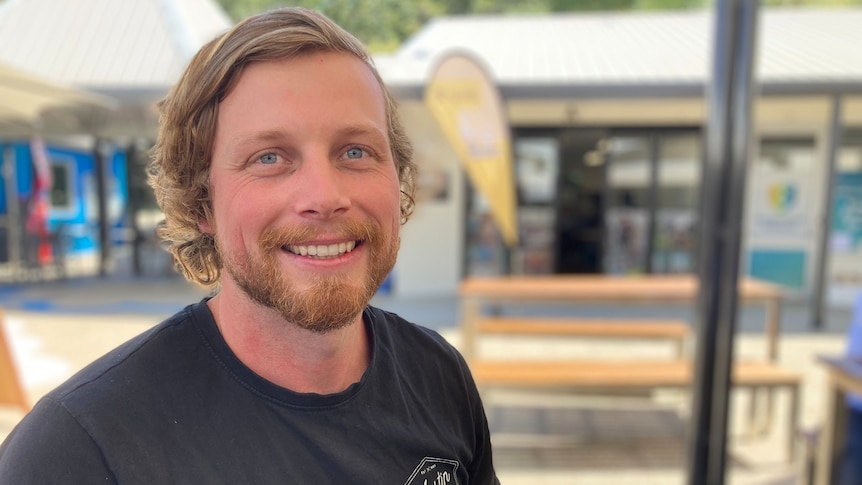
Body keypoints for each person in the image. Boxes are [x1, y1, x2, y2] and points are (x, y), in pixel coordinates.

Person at [0, 7, 499, 484]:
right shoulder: (77, 450)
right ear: (202, 203)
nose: (324, 197)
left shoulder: (439, 375)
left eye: (355, 151)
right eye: (269, 158)